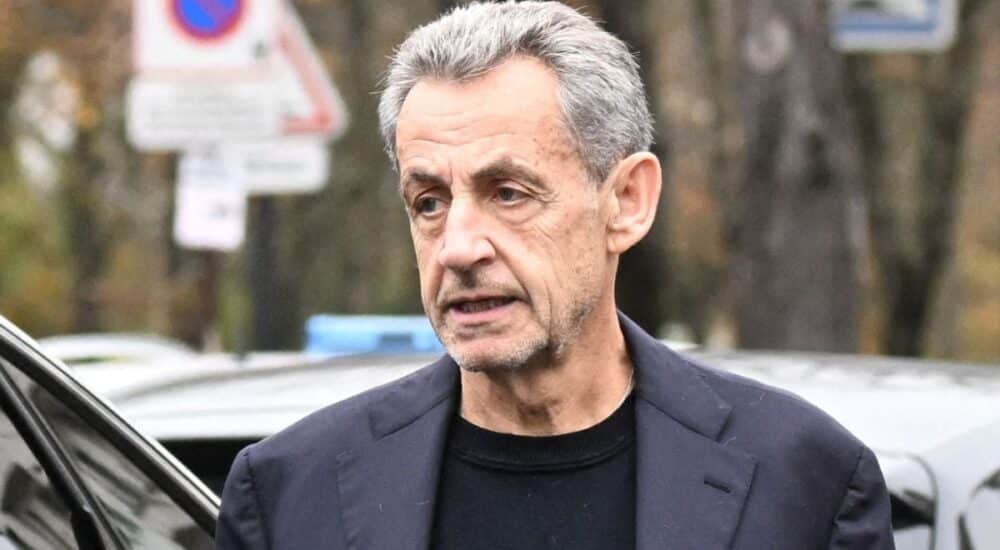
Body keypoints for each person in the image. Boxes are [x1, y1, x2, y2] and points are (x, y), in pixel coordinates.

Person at [216, 2, 894, 548]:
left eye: (509, 193)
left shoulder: (803, 482)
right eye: (429, 202)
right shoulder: (292, 493)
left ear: (626, 202)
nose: (458, 248)